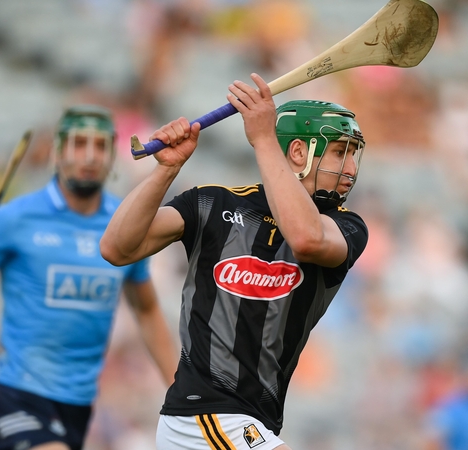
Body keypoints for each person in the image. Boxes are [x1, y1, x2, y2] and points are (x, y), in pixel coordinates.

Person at [100, 74, 368, 450]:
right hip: (202, 416)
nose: (351, 169)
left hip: (252, 421)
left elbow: (305, 238)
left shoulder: (346, 226)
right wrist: (166, 170)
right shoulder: (213, 204)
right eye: (340, 152)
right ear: (297, 152)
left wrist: (263, 140)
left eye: (353, 154)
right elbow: (116, 248)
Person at [0, 105, 178, 450]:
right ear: (57, 152)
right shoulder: (15, 218)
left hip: (78, 408)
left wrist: (180, 389)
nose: (89, 156)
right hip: (16, 396)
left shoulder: (126, 225)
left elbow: (147, 310)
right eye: (78, 144)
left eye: (100, 146)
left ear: (113, 156)